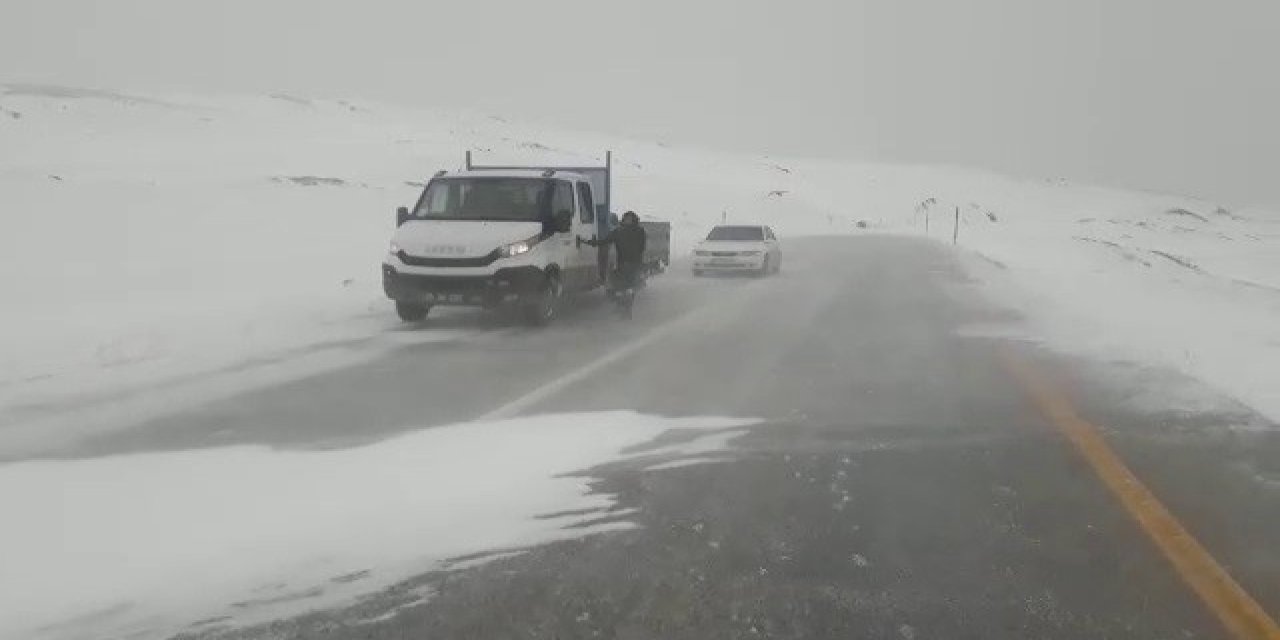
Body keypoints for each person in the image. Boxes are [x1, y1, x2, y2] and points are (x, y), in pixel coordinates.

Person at [586, 210, 647, 294]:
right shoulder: (637, 231)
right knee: (623, 280)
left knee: (619, 280)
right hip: (630, 263)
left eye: (629, 219)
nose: (627, 221)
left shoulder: (619, 231)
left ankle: (622, 291)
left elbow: (605, 241)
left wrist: (592, 242)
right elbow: (642, 247)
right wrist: (593, 242)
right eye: (627, 219)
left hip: (628, 263)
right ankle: (624, 291)